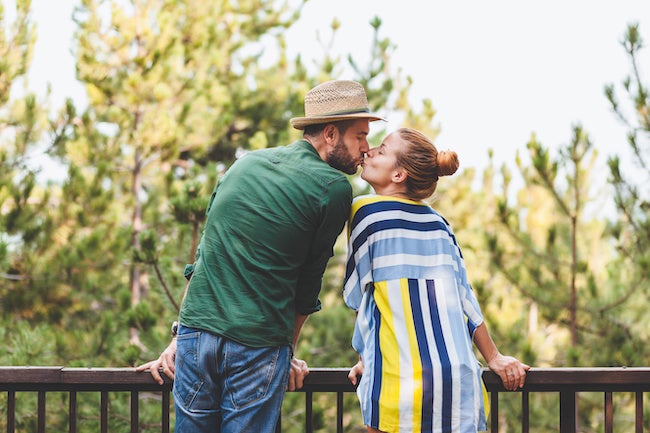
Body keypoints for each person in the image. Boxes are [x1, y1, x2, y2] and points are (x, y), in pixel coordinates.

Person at [136, 80, 384, 433]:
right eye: (360, 136)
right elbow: (307, 286)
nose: (366, 147)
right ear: (330, 134)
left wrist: (180, 337)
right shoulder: (334, 188)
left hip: (195, 338)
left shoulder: (245, 164)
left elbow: (205, 257)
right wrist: (286, 354)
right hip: (257, 346)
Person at [343, 128, 530, 433]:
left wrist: (367, 357)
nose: (370, 151)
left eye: (383, 149)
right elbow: (464, 297)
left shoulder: (365, 212)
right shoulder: (439, 223)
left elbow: (359, 297)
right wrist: (493, 357)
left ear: (399, 174)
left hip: (400, 381)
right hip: (458, 385)